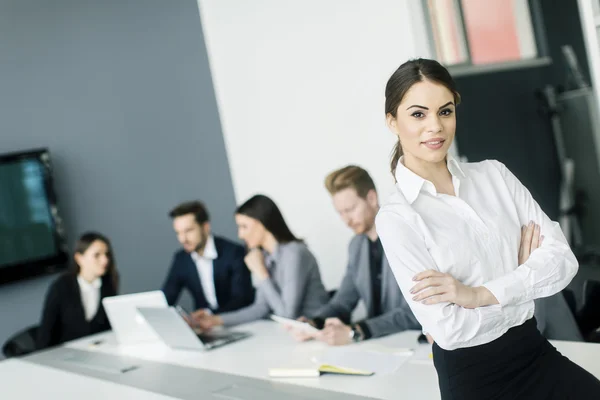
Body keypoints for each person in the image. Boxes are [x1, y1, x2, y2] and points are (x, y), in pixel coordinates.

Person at [375, 58, 600, 399]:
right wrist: (523, 279)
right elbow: (449, 330)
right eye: (418, 114)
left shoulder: (495, 176)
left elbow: (563, 261)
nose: (435, 126)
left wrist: (477, 295)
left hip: (534, 353)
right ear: (392, 121)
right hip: (475, 381)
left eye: (445, 111)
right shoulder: (396, 217)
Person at [288, 165, 420, 346]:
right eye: (340, 213)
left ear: (371, 198)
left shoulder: (405, 235)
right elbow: (343, 302)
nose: (346, 220)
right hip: (379, 344)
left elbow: (415, 311)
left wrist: (357, 332)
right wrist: (314, 323)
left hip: (412, 342)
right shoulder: (356, 246)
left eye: (350, 210)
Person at [193, 194, 329, 329]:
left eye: (244, 227)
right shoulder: (265, 256)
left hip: (318, 330)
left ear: (262, 223)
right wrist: (216, 320)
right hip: (294, 334)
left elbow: (288, 316)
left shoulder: (294, 253)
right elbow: (260, 308)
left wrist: (262, 274)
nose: (240, 235)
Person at [162, 201, 254, 317]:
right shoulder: (181, 259)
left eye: (188, 231)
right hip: (204, 328)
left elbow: (242, 299)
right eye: (178, 233)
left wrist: (209, 314)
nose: (182, 239)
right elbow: (166, 298)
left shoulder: (234, 253)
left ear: (205, 227)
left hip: (237, 320)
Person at [37, 232, 119, 349]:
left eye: (106, 254)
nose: (105, 260)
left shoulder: (108, 285)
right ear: (79, 258)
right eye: (97, 255)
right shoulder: (61, 286)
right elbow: (45, 334)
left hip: (100, 351)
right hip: (66, 354)